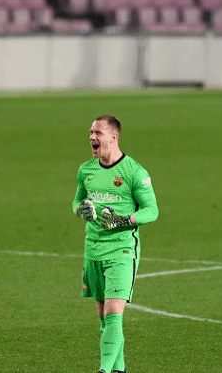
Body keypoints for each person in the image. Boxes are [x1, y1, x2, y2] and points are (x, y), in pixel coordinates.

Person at [72, 115, 159, 373]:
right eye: (90, 132)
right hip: (93, 250)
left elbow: (152, 210)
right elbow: (77, 201)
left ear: (114, 136)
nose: (92, 137)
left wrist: (124, 219)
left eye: (98, 133)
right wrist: (80, 209)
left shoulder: (134, 172)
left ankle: (104, 370)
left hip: (122, 250)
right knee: (104, 319)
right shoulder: (86, 170)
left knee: (113, 315)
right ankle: (119, 369)